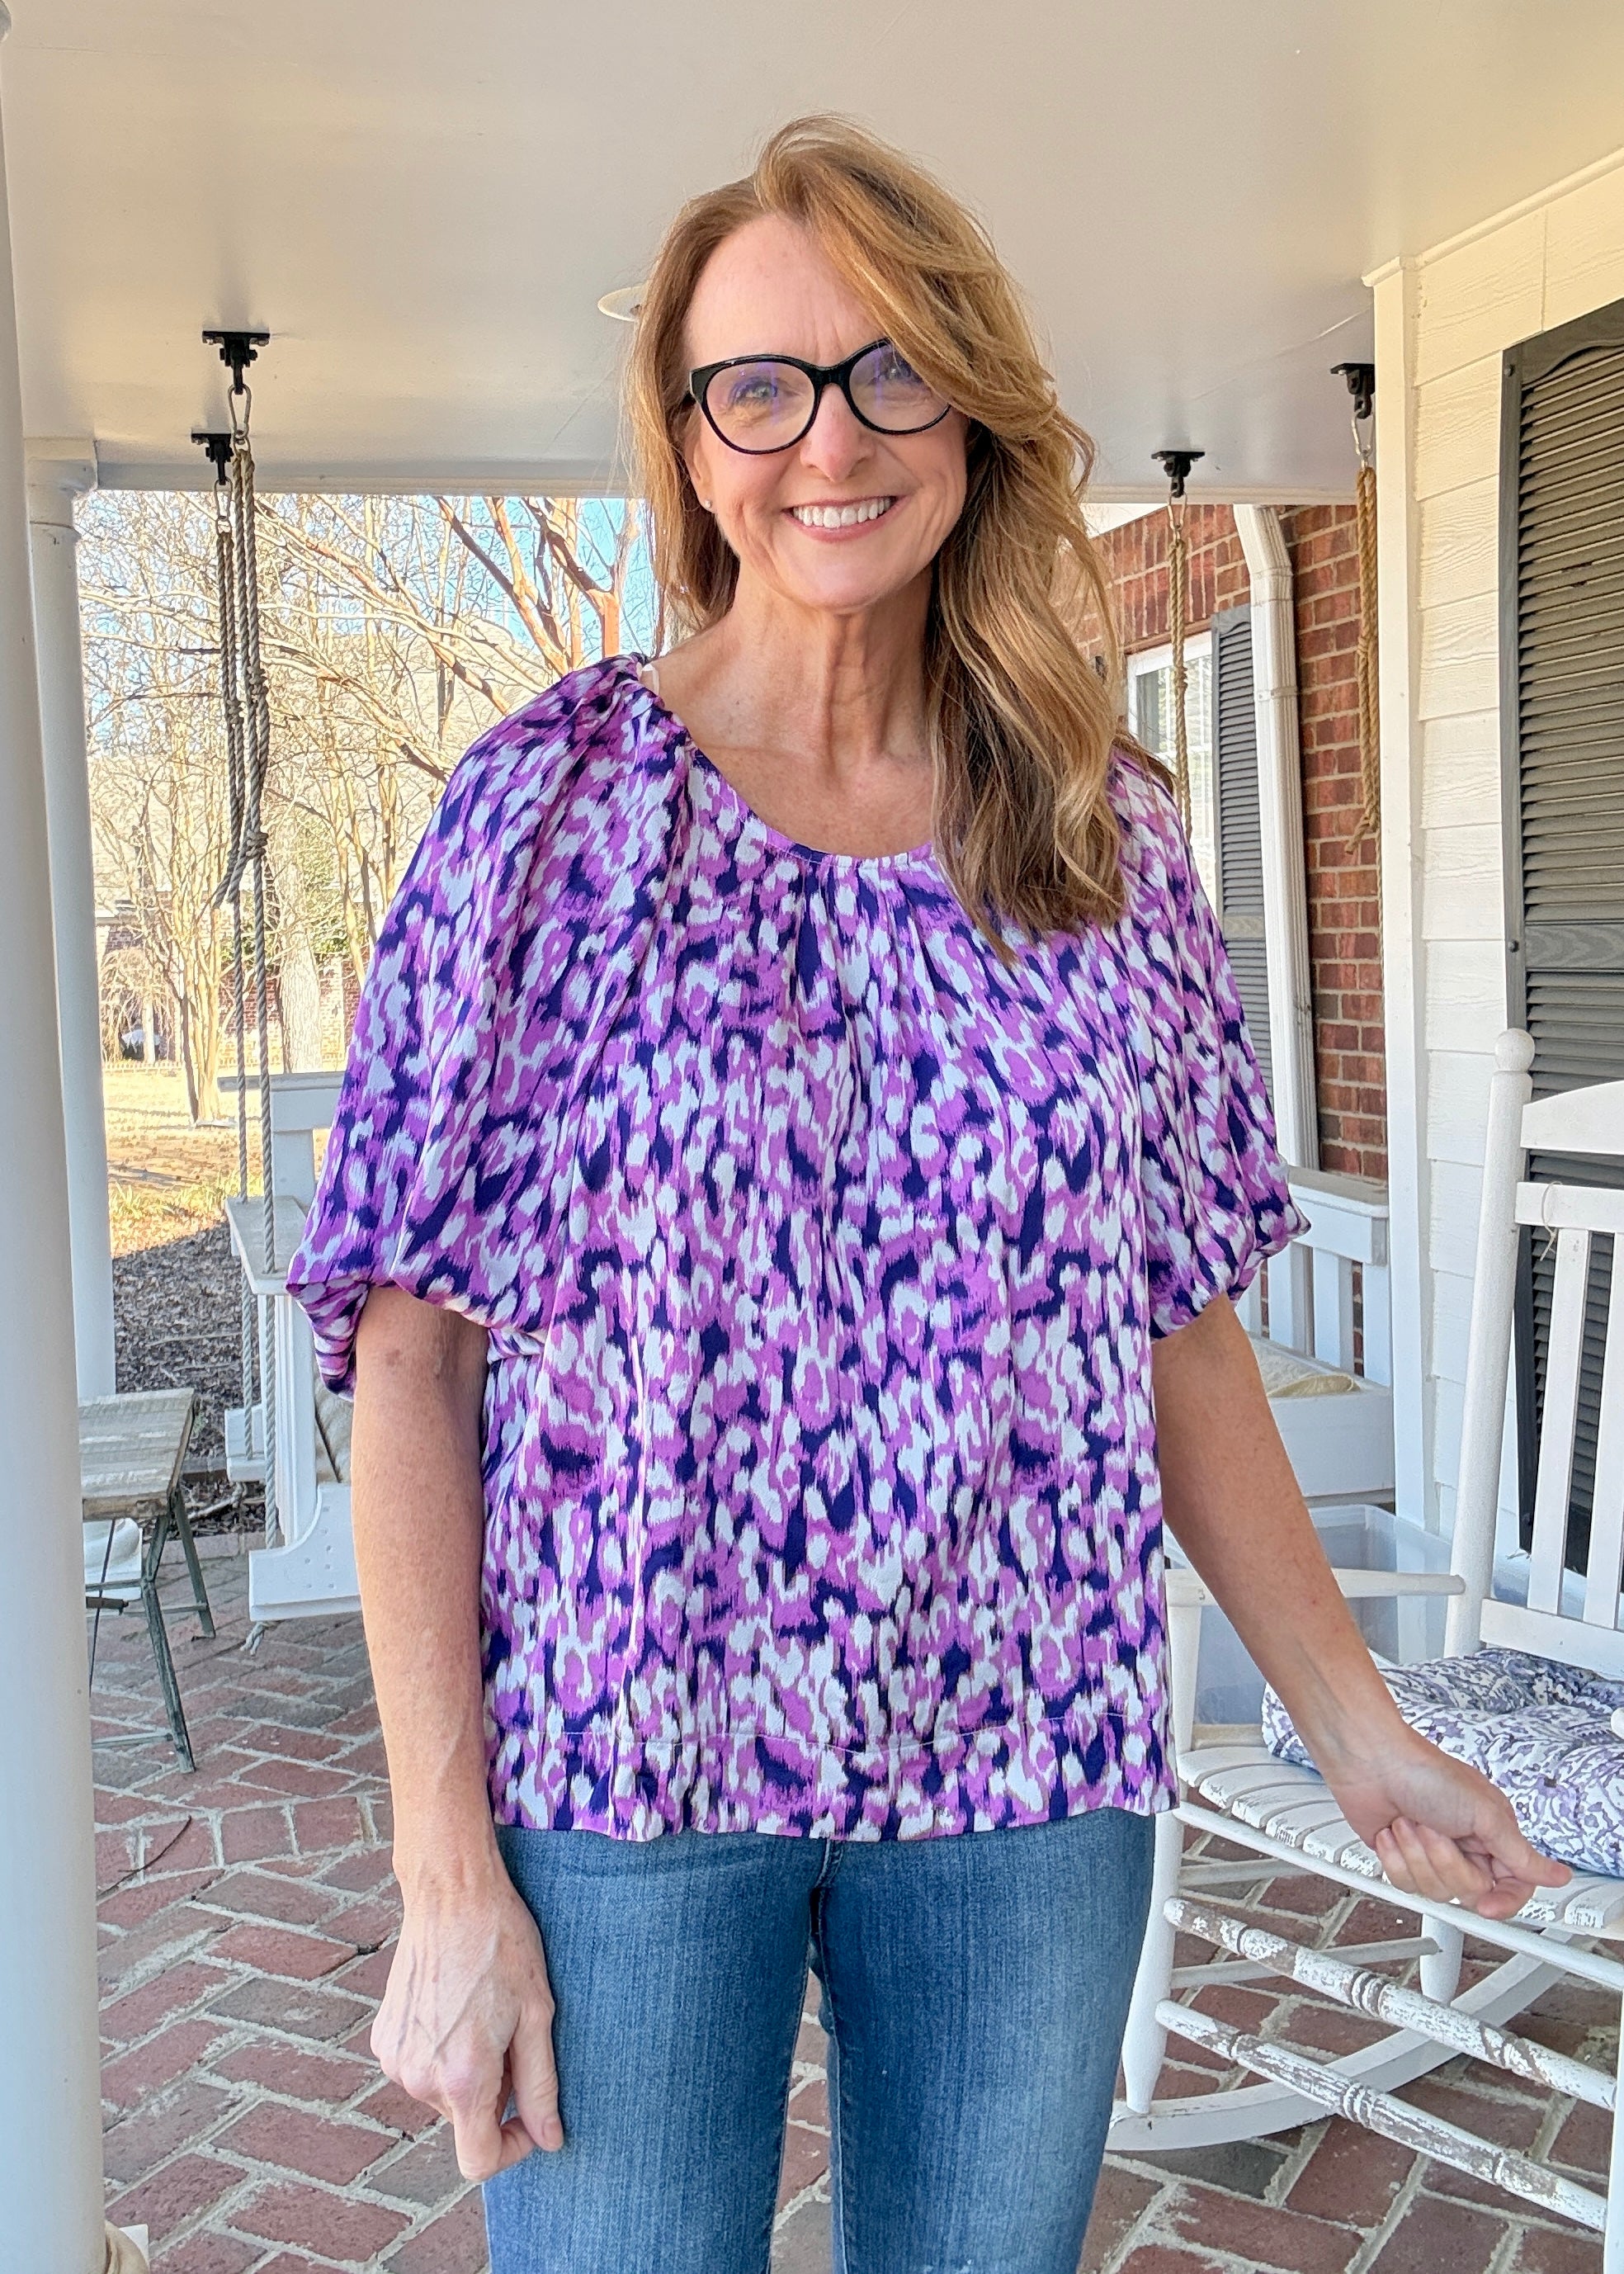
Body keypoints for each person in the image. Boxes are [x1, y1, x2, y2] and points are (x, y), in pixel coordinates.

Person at [286, 115, 1567, 2274]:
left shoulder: (1104, 834)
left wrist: (1358, 1729)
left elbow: (1177, 1326)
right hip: (628, 1768)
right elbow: (411, 1361)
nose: (831, 436)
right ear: (692, 444)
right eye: (760, 386)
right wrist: (443, 1872)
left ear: (970, 407)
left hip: (1023, 1769)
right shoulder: (548, 816)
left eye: (890, 366)